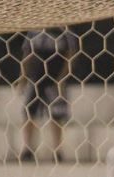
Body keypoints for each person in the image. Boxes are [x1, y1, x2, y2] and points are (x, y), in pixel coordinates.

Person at [19, 27, 79, 162]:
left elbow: (71, 54)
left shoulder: (64, 31)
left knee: (56, 116)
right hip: (35, 79)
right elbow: (26, 55)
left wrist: (62, 78)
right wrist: (22, 79)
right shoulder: (33, 31)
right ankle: (27, 149)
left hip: (54, 80)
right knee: (29, 113)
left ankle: (57, 151)